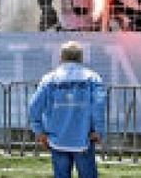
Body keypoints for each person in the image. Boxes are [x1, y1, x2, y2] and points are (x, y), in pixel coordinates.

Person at [28, 41, 106, 178]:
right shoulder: (92, 78)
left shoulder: (49, 79)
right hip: (84, 138)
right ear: (81, 58)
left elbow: (34, 107)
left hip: (57, 139)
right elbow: (98, 106)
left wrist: (39, 131)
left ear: (61, 57)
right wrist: (98, 129)